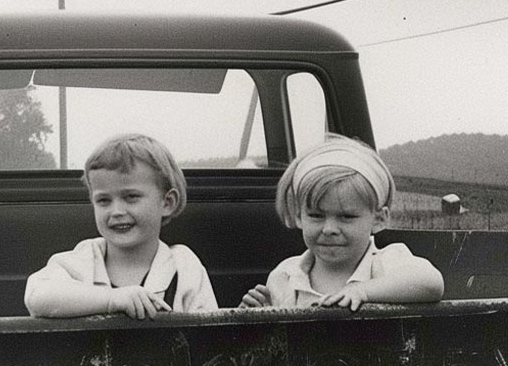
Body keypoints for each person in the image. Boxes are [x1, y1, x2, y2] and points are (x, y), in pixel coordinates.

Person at [25, 133, 218, 318]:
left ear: (167, 203)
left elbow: (209, 331)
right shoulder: (82, 260)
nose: (116, 211)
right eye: (103, 200)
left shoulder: (183, 266)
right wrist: (112, 299)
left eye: (131, 197)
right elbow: (36, 296)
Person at [240, 135, 443, 310]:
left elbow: (431, 283)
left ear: (379, 219)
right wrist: (258, 315)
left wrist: (363, 291)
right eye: (316, 216)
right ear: (299, 216)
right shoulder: (286, 276)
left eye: (346, 217)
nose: (329, 229)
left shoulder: (385, 262)